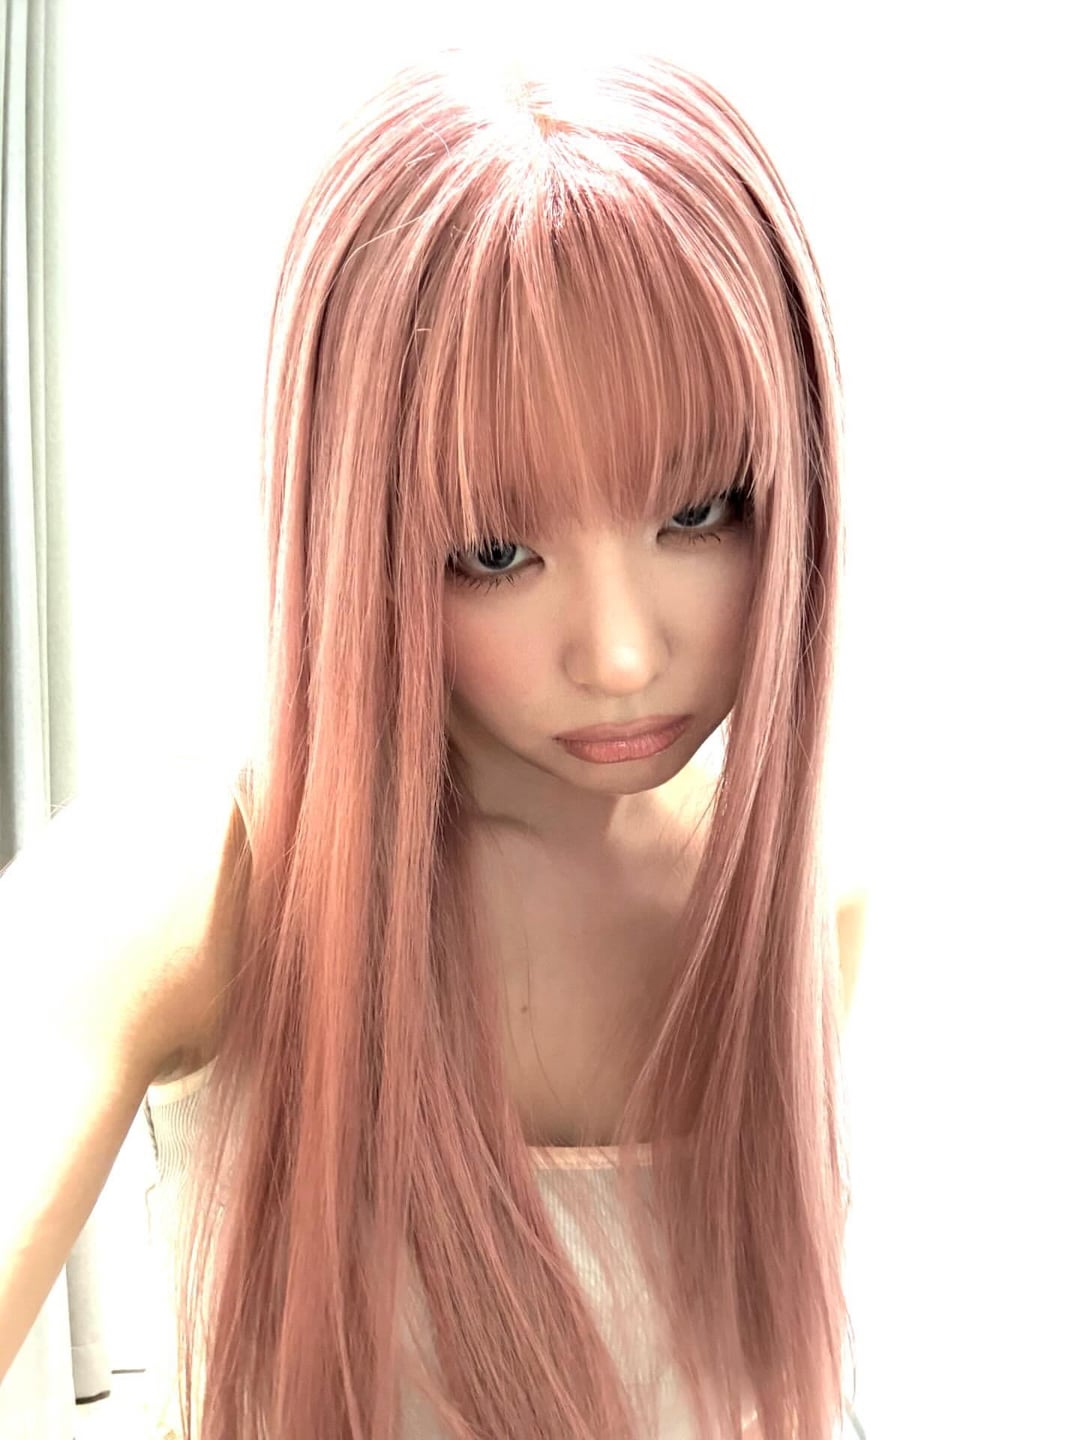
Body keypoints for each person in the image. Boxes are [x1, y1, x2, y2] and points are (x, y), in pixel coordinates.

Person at [0, 45, 870, 1439]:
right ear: (364, 536)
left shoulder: (797, 905)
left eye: (698, 512)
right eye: (497, 550)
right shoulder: (197, 884)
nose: (621, 654)